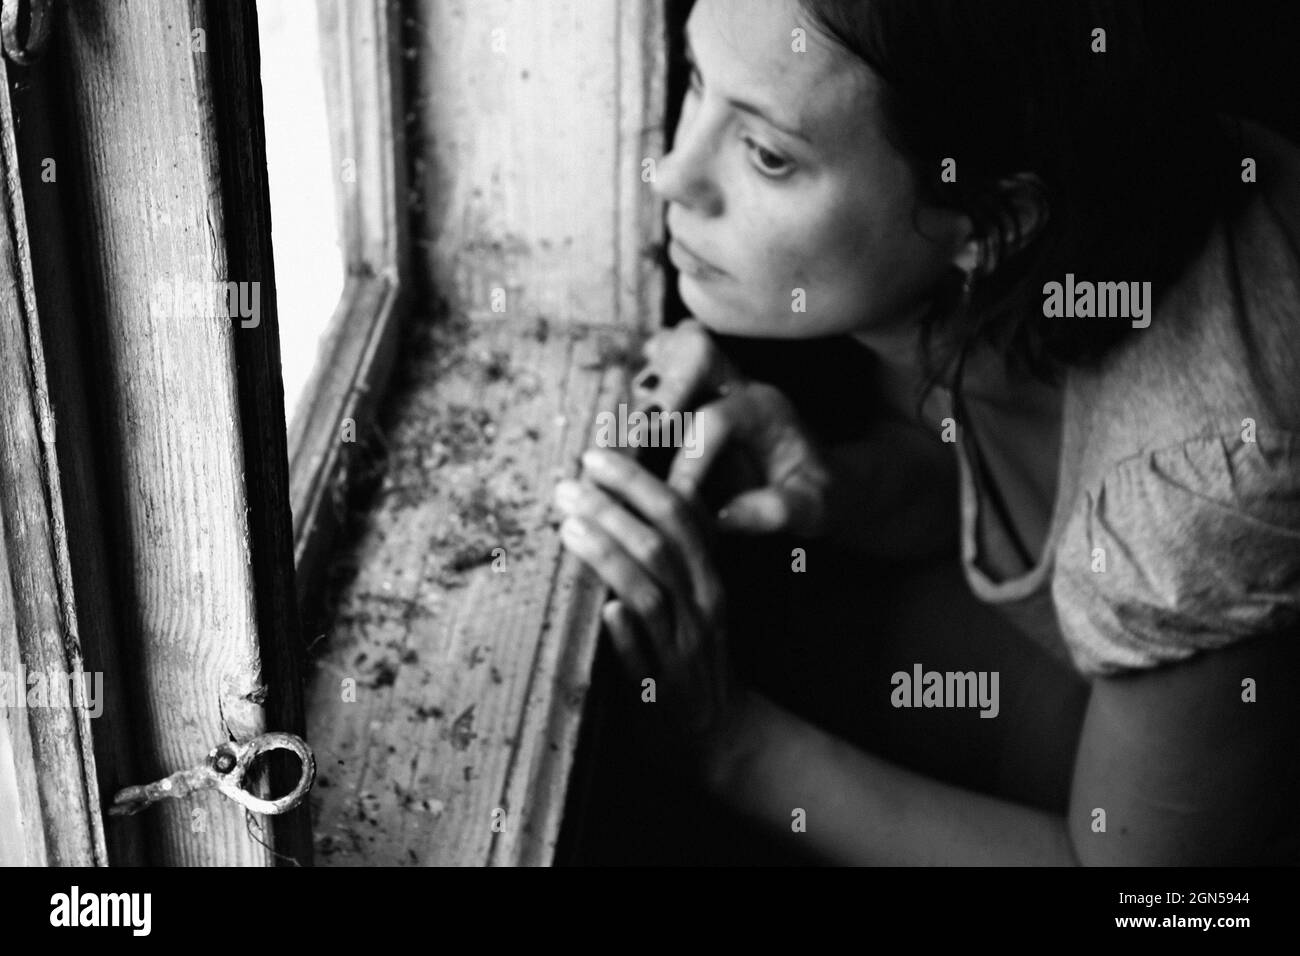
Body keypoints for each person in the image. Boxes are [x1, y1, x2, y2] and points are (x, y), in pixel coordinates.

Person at [553, 0, 1300, 864]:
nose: (671, 176)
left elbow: (1159, 904)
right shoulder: (1039, 220)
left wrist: (727, 744)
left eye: (766, 154)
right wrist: (833, 484)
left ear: (994, 223)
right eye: (694, 80)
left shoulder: (1202, 495)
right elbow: (1004, 480)